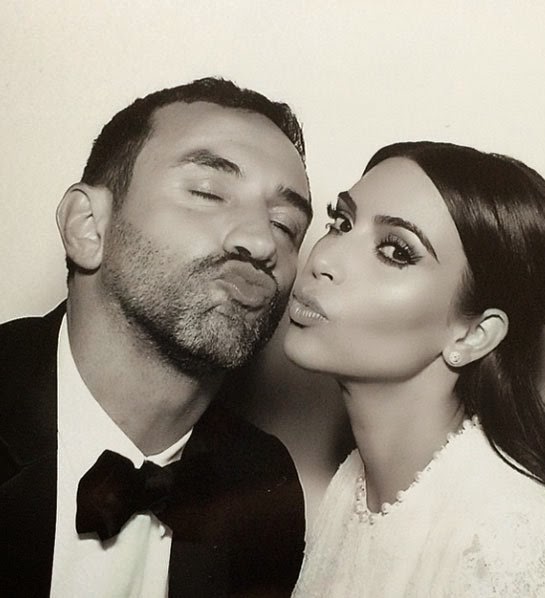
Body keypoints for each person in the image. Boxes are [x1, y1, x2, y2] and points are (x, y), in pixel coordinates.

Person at [0, 77, 312, 597]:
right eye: (208, 192)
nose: (262, 242)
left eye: (286, 225)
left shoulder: (263, 489)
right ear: (87, 227)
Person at [284, 141, 545, 597]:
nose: (322, 260)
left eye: (395, 251)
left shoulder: (512, 542)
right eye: (341, 223)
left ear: (473, 336)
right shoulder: (353, 488)